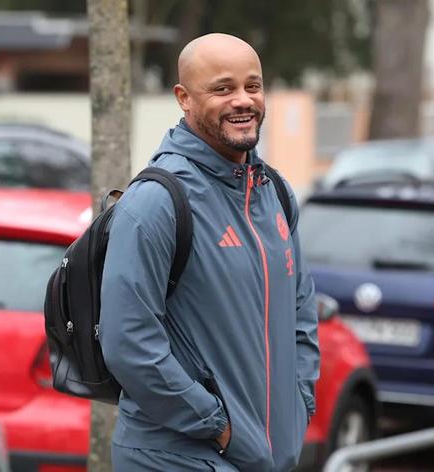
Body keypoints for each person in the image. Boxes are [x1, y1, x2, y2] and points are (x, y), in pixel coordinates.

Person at [99, 33, 320, 472]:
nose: (243, 100)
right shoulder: (157, 201)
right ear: (184, 98)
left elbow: (301, 311)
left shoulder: (274, 192)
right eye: (223, 88)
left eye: (252, 86)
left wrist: (300, 402)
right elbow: (128, 343)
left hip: (261, 457)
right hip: (175, 457)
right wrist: (217, 425)